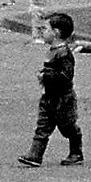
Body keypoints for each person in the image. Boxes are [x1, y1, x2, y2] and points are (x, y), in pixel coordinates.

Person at [16, 12, 84, 167]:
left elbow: (66, 76)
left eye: (46, 29)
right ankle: (35, 155)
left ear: (57, 33)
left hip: (63, 99)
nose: (42, 31)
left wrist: (46, 76)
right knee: (43, 126)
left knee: (68, 127)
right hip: (49, 96)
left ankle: (76, 152)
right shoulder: (53, 51)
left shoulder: (64, 53)